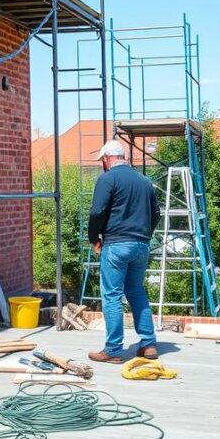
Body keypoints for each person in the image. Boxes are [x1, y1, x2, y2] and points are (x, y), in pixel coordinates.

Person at [85, 139, 159, 363]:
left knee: (112, 296)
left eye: (103, 161)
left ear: (108, 159)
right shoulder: (145, 181)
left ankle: (114, 350)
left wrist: (94, 238)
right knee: (136, 292)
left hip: (117, 245)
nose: (103, 165)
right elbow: (156, 214)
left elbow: (98, 212)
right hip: (141, 245)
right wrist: (145, 235)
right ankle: (148, 345)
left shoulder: (108, 179)